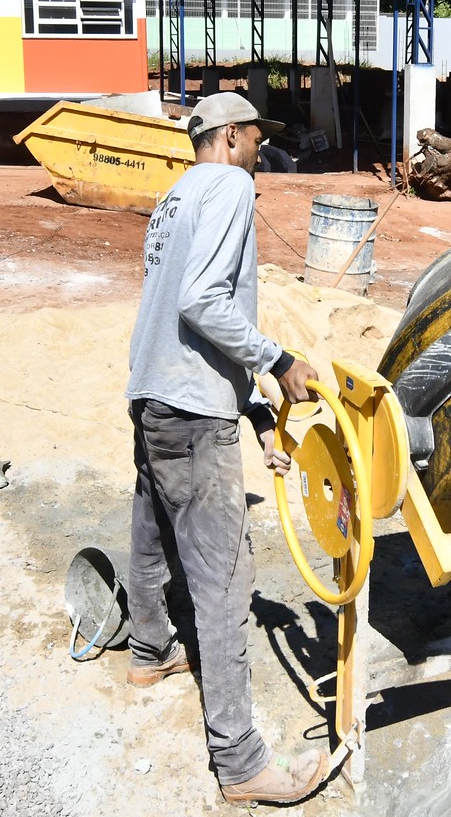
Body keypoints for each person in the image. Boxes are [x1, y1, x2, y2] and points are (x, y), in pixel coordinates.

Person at [123, 91, 332, 808]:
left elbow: (179, 313)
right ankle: (241, 761)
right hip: (189, 411)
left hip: (151, 394)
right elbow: (205, 302)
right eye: (254, 137)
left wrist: (253, 410)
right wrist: (277, 361)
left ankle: (149, 651)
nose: (259, 152)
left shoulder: (173, 197)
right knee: (222, 576)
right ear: (232, 135)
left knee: (152, 530)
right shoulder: (231, 186)